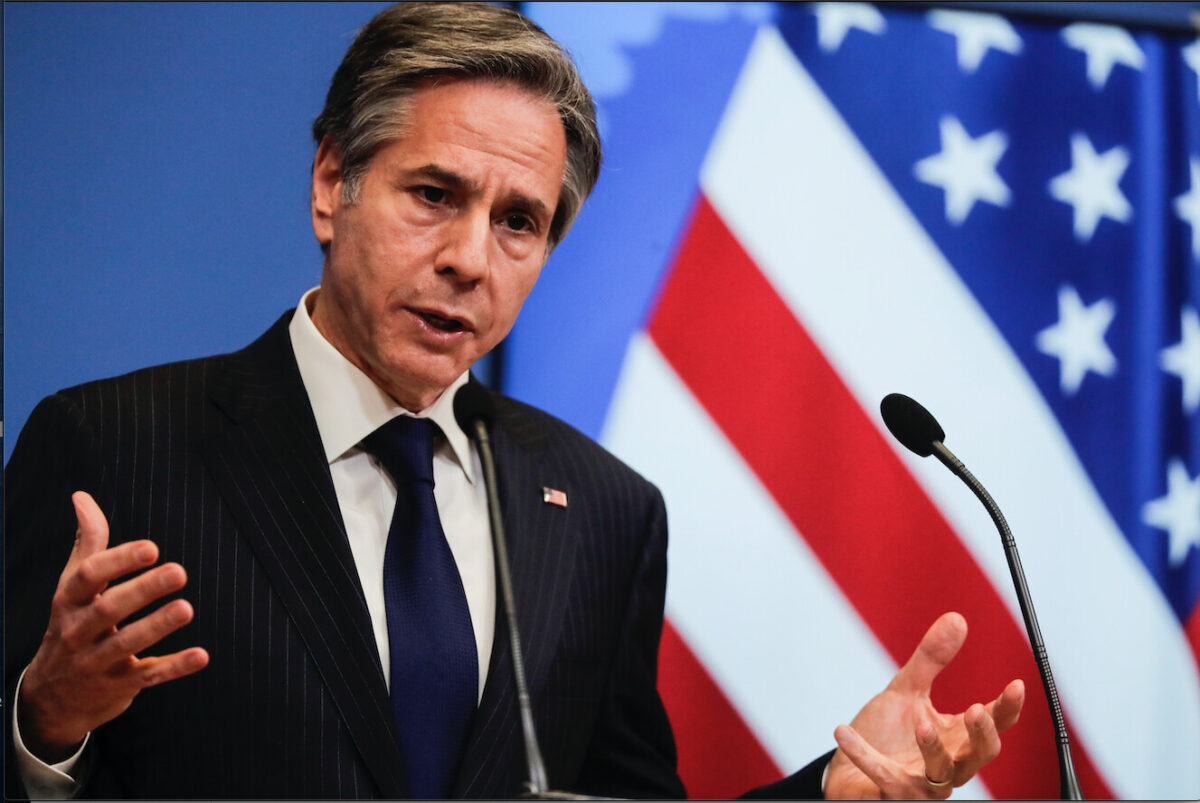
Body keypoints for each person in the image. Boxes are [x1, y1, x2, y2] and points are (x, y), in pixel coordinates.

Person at [4, 3, 1025, 799]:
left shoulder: (601, 508)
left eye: (519, 223)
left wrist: (833, 788)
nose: (467, 259)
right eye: (433, 194)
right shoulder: (116, 446)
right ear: (331, 185)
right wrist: (45, 721)